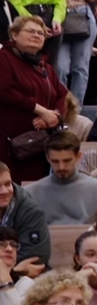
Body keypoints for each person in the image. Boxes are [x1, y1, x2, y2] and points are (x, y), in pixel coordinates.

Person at [0, 16, 68, 184]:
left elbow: (63, 95)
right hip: (10, 145)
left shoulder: (45, 67)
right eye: (31, 31)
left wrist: (54, 117)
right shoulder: (4, 58)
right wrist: (40, 110)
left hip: (39, 144)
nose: (37, 35)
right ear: (14, 35)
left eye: (41, 33)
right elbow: (4, 90)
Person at [22, 131, 97, 224]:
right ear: (47, 158)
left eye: (67, 161)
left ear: (78, 156)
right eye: (55, 161)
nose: (61, 167)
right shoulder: (30, 193)